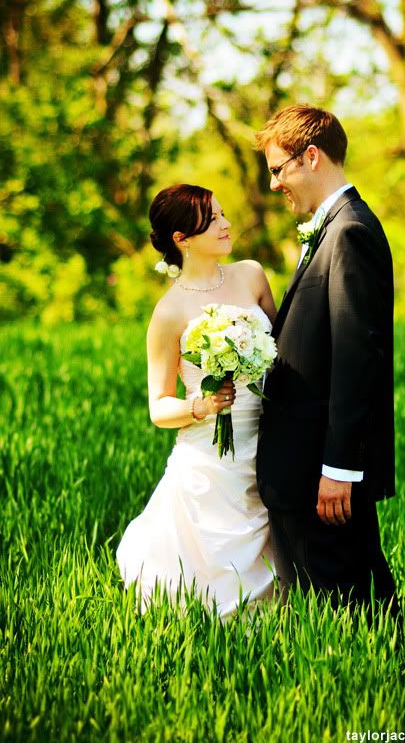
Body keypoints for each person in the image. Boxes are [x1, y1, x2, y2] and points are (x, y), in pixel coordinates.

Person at [254, 104, 398, 613]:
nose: (274, 185)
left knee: (348, 615)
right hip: (303, 468)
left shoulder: (349, 232)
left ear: (310, 157)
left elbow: (359, 358)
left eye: (277, 169)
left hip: (323, 473)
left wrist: (340, 468)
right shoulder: (330, 228)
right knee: (331, 616)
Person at [116, 184, 277, 617]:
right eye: (214, 220)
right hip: (208, 457)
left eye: (224, 214)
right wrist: (200, 407)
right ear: (181, 239)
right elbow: (158, 406)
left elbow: (283, 353)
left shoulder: (252, 275)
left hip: (268, 443)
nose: (227, 225)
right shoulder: (169, 312)